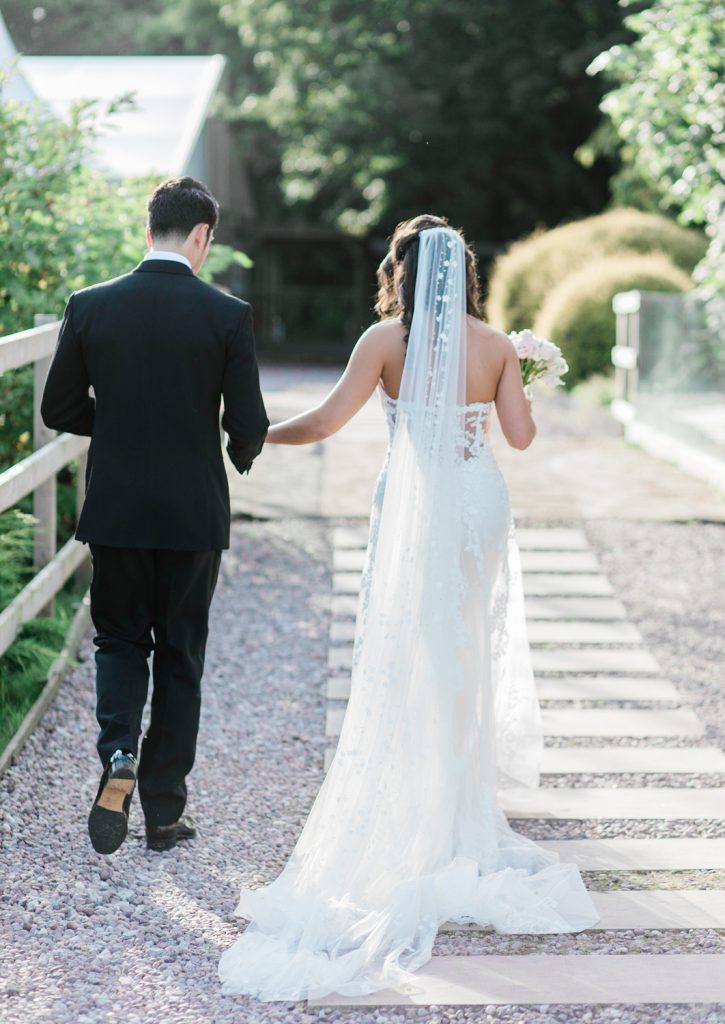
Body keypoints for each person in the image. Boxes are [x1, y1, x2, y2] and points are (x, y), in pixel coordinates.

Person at [218, 215, 600, 1001]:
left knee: (411, 652)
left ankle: (413, 805)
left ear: (402, 268)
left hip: (415, 510)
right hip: (478, 504)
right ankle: (463, 809)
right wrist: (521, 375)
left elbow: (325, 423)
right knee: (464, 649)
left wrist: (252, 435)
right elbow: (519, 442)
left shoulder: (383, 344)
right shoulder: (494, 345)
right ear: (464, 273)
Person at [40, 176, 269, 855]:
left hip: (114, 508)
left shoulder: (89, 306)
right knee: (179, 655)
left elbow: (58, 409)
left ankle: (117, 755)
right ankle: (164, 813)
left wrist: (111, 428)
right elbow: (248, 424)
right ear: (202, 237)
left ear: (149, 231)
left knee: (116, 640)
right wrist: (238, 453)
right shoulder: (226, 315)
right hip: (192, 514)